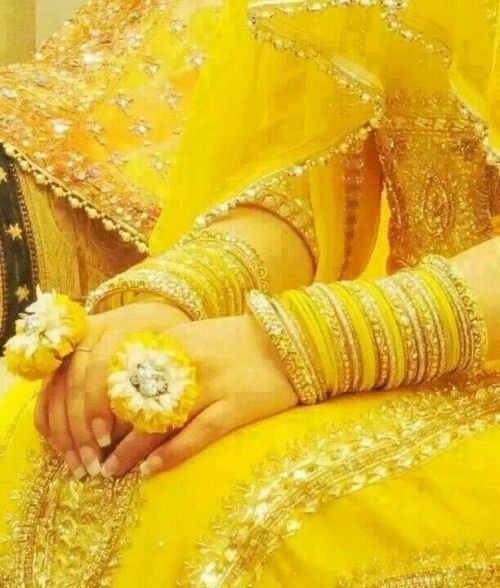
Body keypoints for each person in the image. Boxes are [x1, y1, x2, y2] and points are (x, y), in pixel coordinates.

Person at [0, 0, 499, 586]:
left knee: (266, 519)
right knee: (55, 449)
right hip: (420, 368)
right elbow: (303, 194)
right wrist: (173, 299)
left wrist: (305, 345)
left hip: (428, 356)